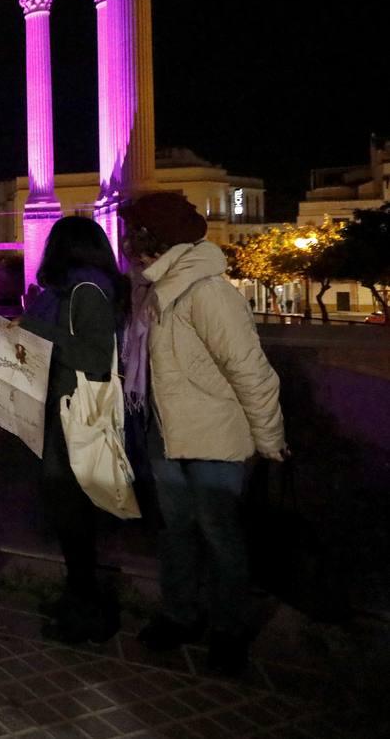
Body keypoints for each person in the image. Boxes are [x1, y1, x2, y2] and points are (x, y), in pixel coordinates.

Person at [120, 192, 286, 675]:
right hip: (166, 432)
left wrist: (268, 437)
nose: (128, 246)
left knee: (220, 535)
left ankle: (230, 631)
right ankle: (180, 615)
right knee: (176, 531)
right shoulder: (149, 287)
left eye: (135, 237)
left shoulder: (207, 291)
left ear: (156, 240)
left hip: (213, 436)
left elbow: (250, 370)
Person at [19, 215, 131, 644]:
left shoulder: (86, 291)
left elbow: (95, 356)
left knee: (76, 517)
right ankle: (78, 600)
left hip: (77, 415)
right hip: (64, 412)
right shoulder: (73, 291)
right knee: (70, 517)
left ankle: (88, 614)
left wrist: (37, 330)